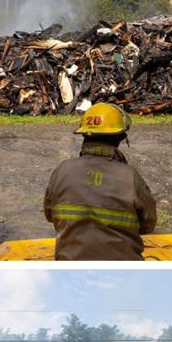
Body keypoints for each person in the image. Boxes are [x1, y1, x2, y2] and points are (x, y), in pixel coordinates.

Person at [43, 103, 158, 260]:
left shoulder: (63, 170)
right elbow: (149, 224)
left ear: (84, 135)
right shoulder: (129, 176)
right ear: (120, 137)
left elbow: (50, 215)